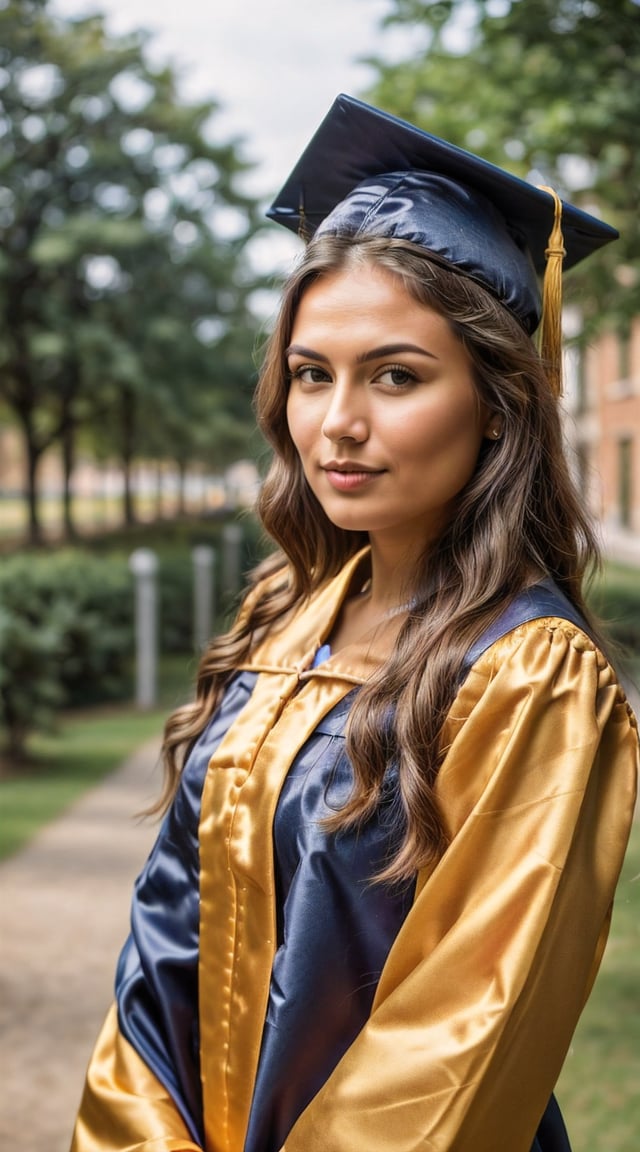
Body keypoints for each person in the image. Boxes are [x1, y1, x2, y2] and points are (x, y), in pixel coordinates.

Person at [70, 95, 638, 1152]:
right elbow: (162, 949)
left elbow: (456, 1044)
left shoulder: (527, 674)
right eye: (309, 375)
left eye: (396, 376)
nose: (338, 423)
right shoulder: (280, 620)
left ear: (498, 404)